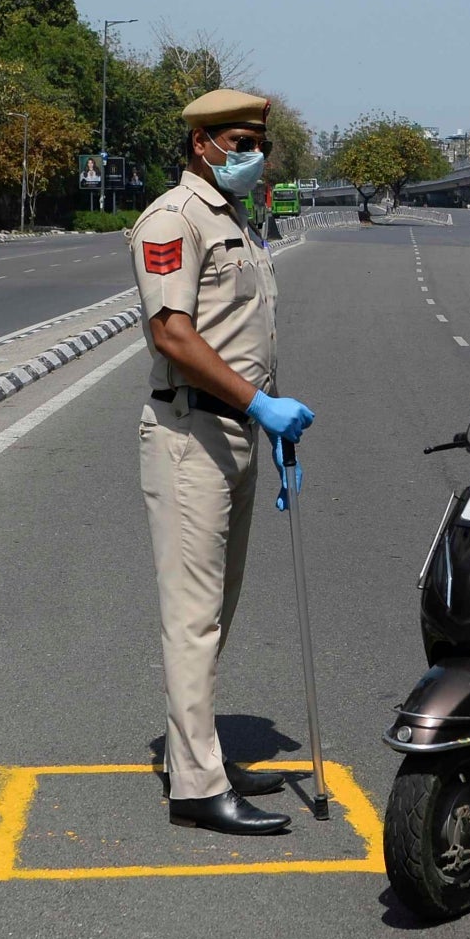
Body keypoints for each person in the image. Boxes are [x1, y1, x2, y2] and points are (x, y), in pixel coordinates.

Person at [132, 88, 316, 836]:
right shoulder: (172, 219)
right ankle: (198, 788)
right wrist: (256, 401)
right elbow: (173, 334)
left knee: (218, 610)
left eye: (260, 143)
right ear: (201, 143)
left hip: (234, 429)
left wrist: (264, 416)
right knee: (193, 618)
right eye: (240, 142)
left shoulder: (232, 218)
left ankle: (197, 754)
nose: (254, 156)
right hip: (190, 437)